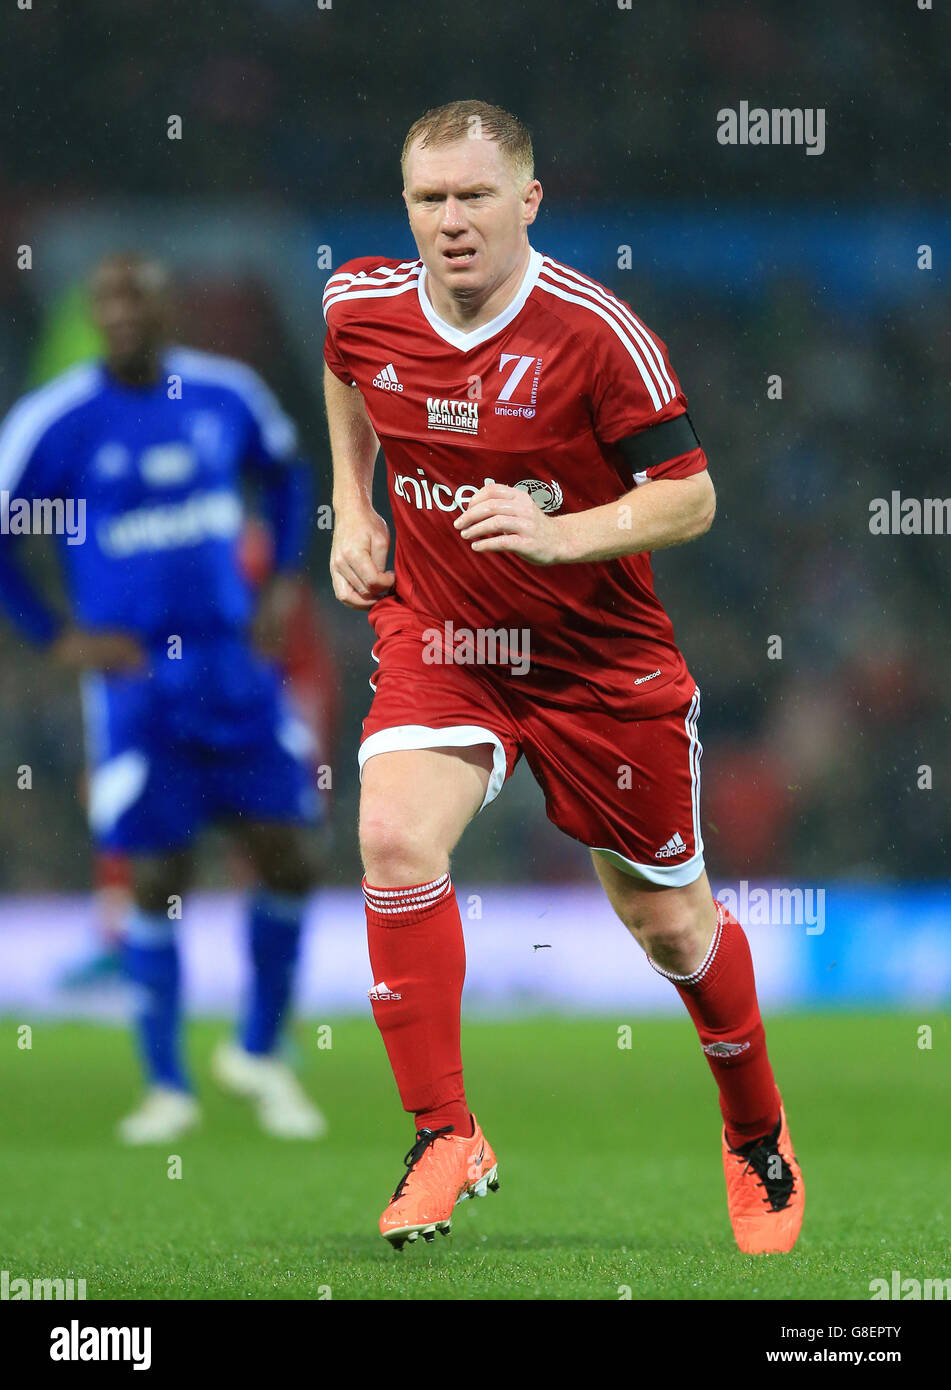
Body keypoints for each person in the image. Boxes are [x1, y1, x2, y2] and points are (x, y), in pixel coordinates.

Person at [323, 100, 804, 1253]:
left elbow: (691, 496)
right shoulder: (362, 302)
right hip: (443, 639)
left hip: (599, 664)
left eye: (475, 197)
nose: (451, 221)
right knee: (392, 838)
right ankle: (447, 1132)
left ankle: (756, 1134)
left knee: (670, 925)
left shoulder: (597, 335)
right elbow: (347, 371)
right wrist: (353, 502)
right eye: (430, 200)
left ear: (526, 201)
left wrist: (564, 532)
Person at [0, 253, 327, 1144]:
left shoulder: (226, 395)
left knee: (291, 853)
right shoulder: (58, 421)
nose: (122, 314)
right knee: (156, 874)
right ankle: (165, 1084)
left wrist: (281, 590)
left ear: (165, 306)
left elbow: (290, 474)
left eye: (137, 298)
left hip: (234, 668)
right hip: (138, 681)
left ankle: (258, 1050)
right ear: (93, 315)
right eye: (106, 301)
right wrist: (55, 635)